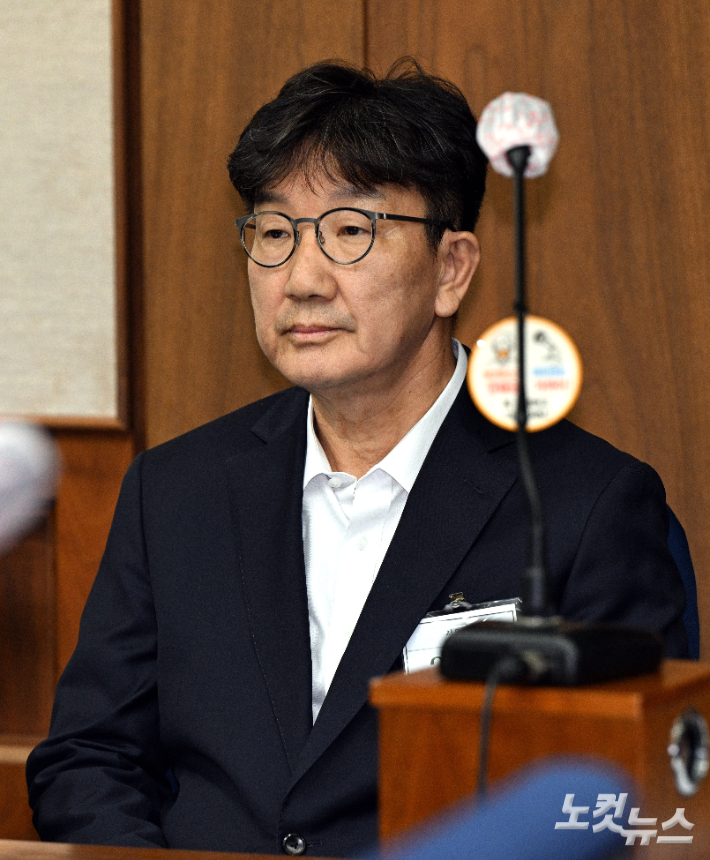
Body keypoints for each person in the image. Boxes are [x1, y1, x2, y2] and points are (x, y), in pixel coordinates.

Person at [26, 59, 688, 858]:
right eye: (275, 233)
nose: (302, 279)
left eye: (350, 231)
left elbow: (630, 790)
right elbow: (90, 758)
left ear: (451, 269)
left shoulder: (582, 504)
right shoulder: (175, 490)